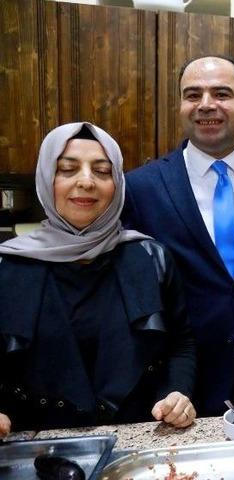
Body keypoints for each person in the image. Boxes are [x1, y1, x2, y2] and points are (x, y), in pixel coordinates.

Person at [122, 55, 234, 415]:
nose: (206, 105)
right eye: (193, 95)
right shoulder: (141, 188)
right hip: (184, 391)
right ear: (180, 106)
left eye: (221, 93)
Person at [0, 122, 196, 435]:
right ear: (46, 179)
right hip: (41, 453)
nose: (86, 182)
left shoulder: (151, 257)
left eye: (102, 171)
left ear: (117, 183)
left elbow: (180, 343)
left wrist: (177, 392)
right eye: (67, 169)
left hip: (141, 445)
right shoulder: (7, 266)